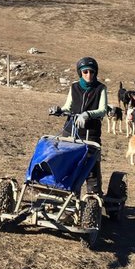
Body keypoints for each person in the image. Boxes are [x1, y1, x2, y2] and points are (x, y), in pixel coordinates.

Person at [48, 56, 107, 194]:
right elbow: (68, 107)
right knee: (68, 165)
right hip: (71, 132)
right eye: (85, 72)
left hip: (90, 134)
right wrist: (59, 110)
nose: (89, 75)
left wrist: (87, 114)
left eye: (92, 72)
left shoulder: (100, 88)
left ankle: (93, 199)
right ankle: (66, 196)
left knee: (91, 169)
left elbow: (103, 110)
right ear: (80, 72)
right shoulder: (74, 87)